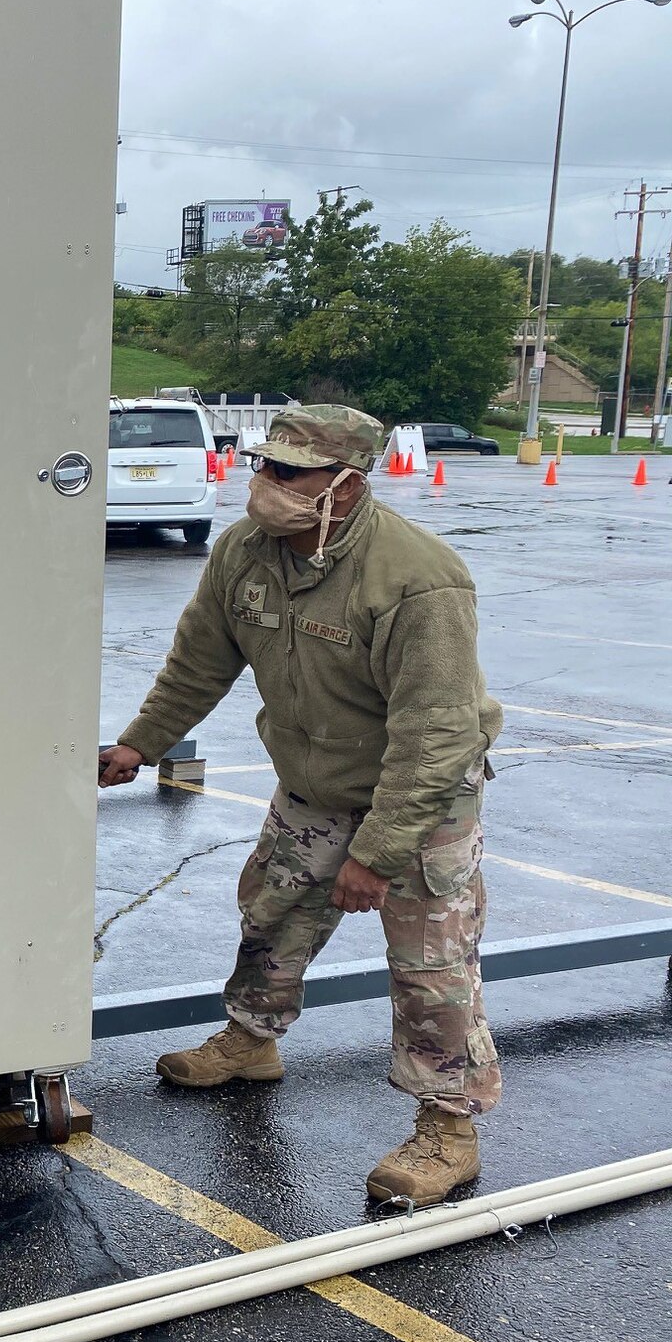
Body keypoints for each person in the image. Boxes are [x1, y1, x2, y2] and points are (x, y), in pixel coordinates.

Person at [98, 405, 503, 1207]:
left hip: (419, 803)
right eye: (264, 467)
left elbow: (435, 736)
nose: (266, 486)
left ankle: (448, 1129)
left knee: (432, 969)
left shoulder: (417, 580)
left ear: (346, 487)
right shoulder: (245, 552)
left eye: (289, 473)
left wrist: (376, 855)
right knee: (271, 915)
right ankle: (251, 1042)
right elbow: (199, 662)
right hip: (312, 786)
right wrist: (140, 743)